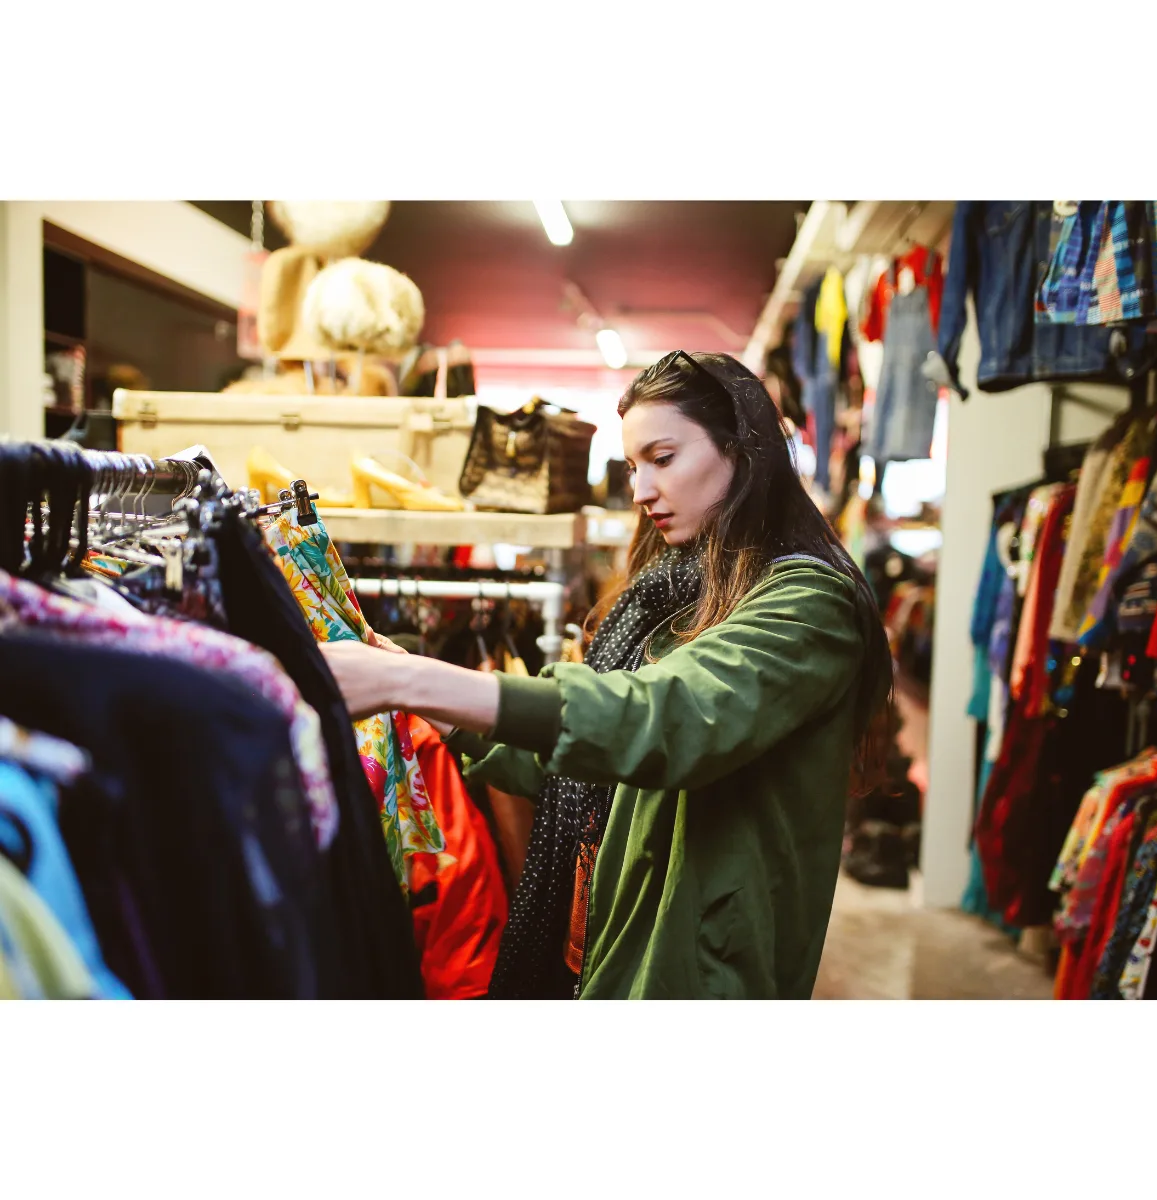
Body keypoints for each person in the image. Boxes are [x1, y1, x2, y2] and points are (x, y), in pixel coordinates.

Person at [322, 350, 894, 999]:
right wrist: (438, 707)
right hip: (615, 930)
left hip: (699, 970)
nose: (641, 491)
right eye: (633, 467)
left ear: (741, 449)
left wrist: (412, 683)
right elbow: (576, 761)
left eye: (663, 458)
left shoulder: (809, 604)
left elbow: (664, 717)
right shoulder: (670, 596)